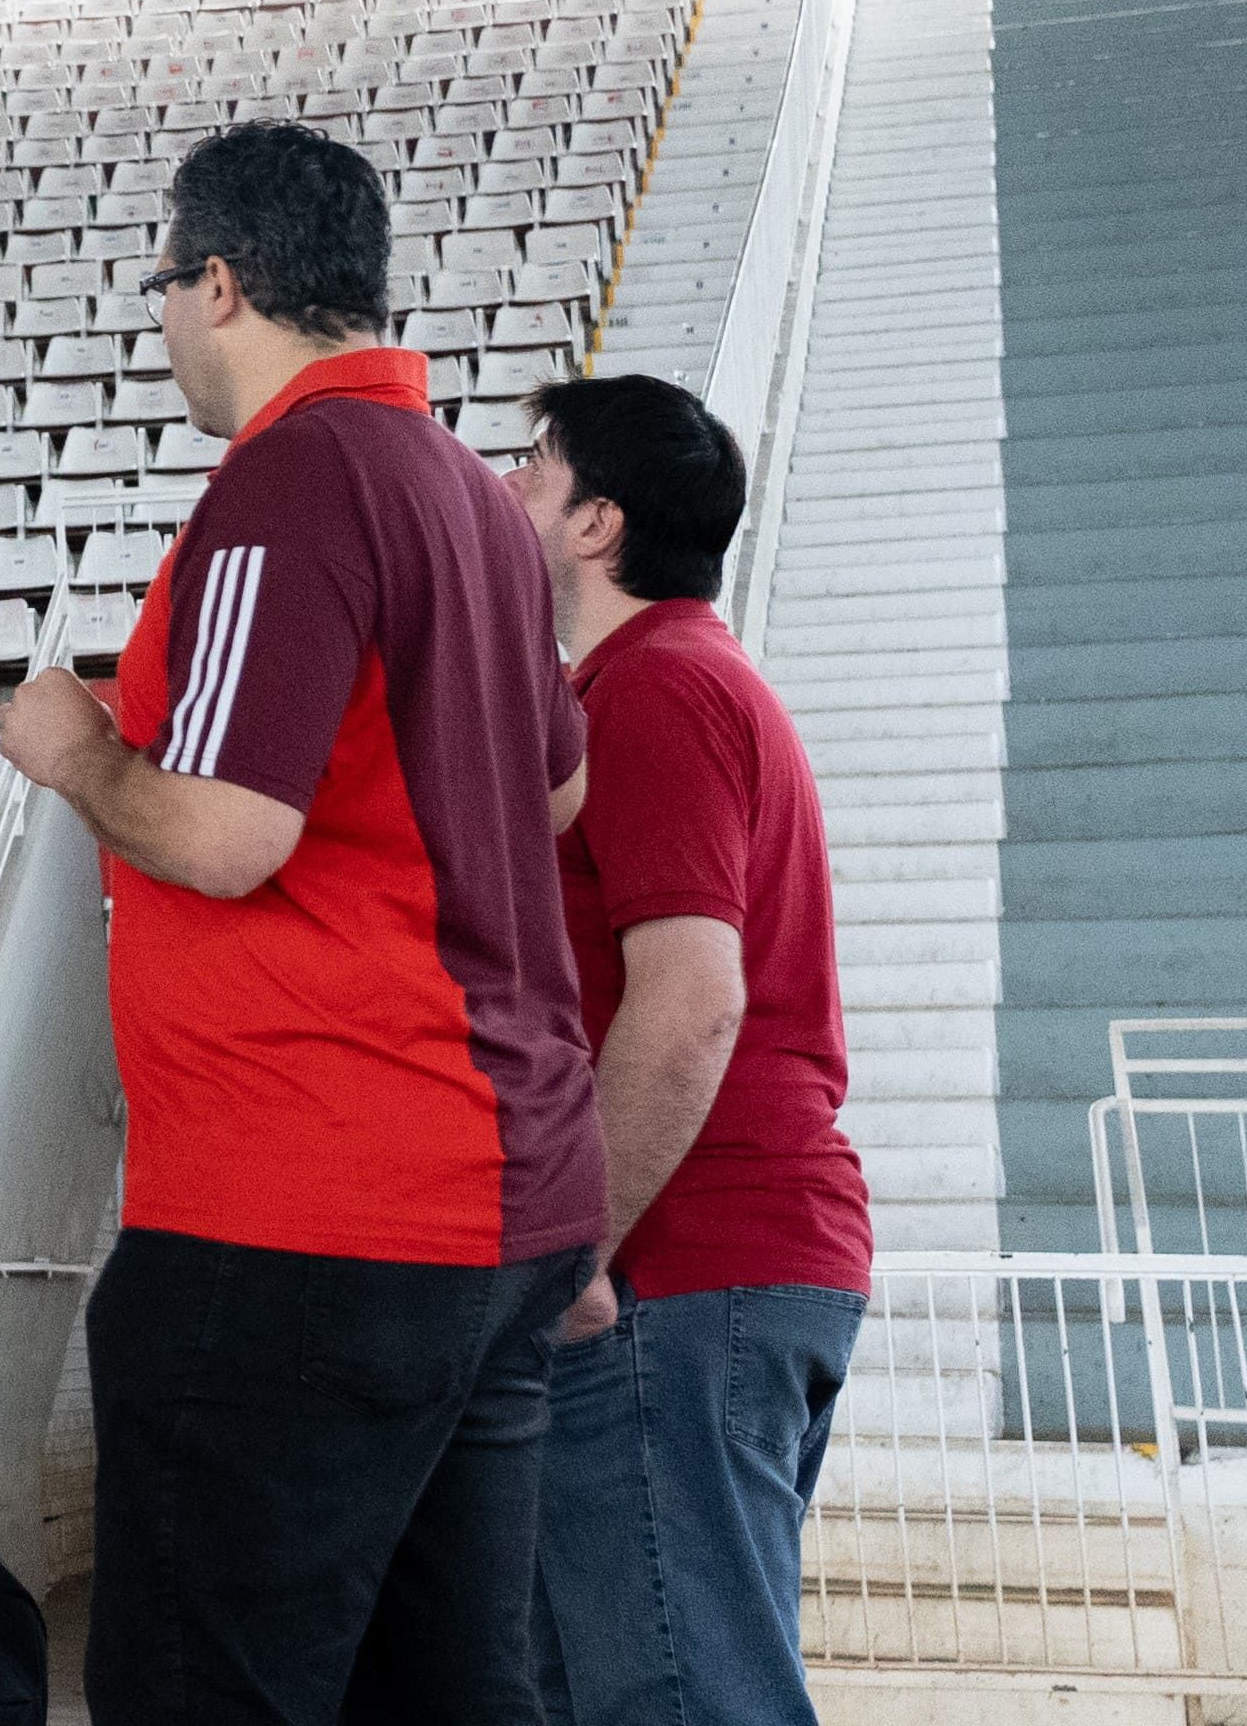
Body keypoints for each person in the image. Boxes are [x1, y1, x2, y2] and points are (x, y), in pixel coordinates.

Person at [0, 122, 601, 1725]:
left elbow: (224, 830)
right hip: (498, 1200)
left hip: (307, 1207)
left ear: (220, 281)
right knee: (452, 1690)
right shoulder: (475, 499)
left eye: (164, 289)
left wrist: (80, 752)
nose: (168, 327)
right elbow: (554, 792)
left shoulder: (287, 482)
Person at [504, 373, 870, 1726]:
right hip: (703, 1277)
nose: (505, 486)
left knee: (680, 1697)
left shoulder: (653, 690)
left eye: (531, 467)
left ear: (597, 524)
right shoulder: (655, 685)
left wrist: (571, 1253)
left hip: (678, 1277)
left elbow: (693, 997)